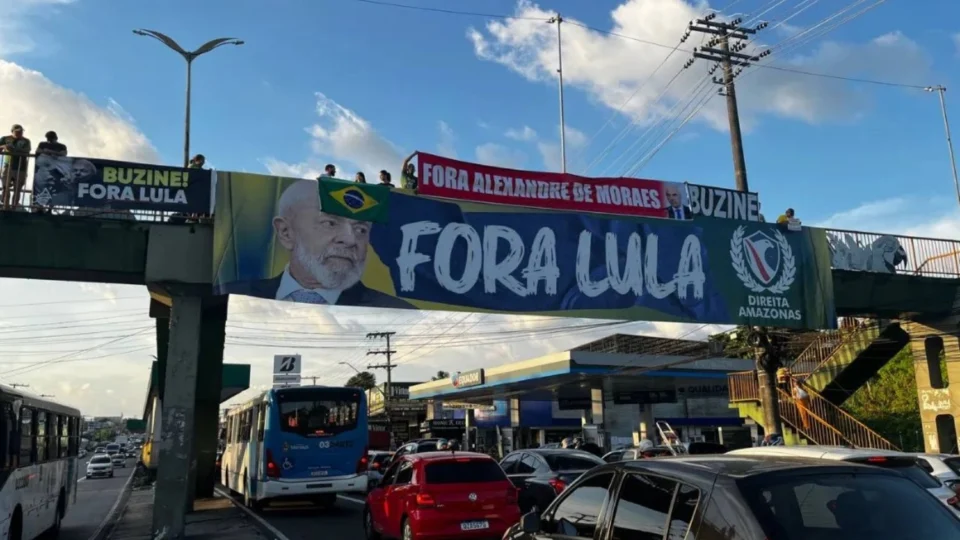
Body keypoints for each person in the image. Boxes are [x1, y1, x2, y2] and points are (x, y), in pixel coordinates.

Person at [218, 180, 413, 308]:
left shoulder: (394, 307)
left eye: (360, 229)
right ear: (286, 232)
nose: (350, 240)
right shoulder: (234, 294)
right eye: (330, 223)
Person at [0, 124, 32, 208]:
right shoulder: (5, 138)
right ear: (12, 131)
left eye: (21, 131)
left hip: (21, 167)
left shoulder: (26, 141)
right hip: (7, 165)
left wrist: (13, 149)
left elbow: (27, 151)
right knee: (5, 187)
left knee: (17, 189)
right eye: (17, 131)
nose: (19, 133)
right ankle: (5, 206)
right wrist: (4, 146)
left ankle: (14, 206)